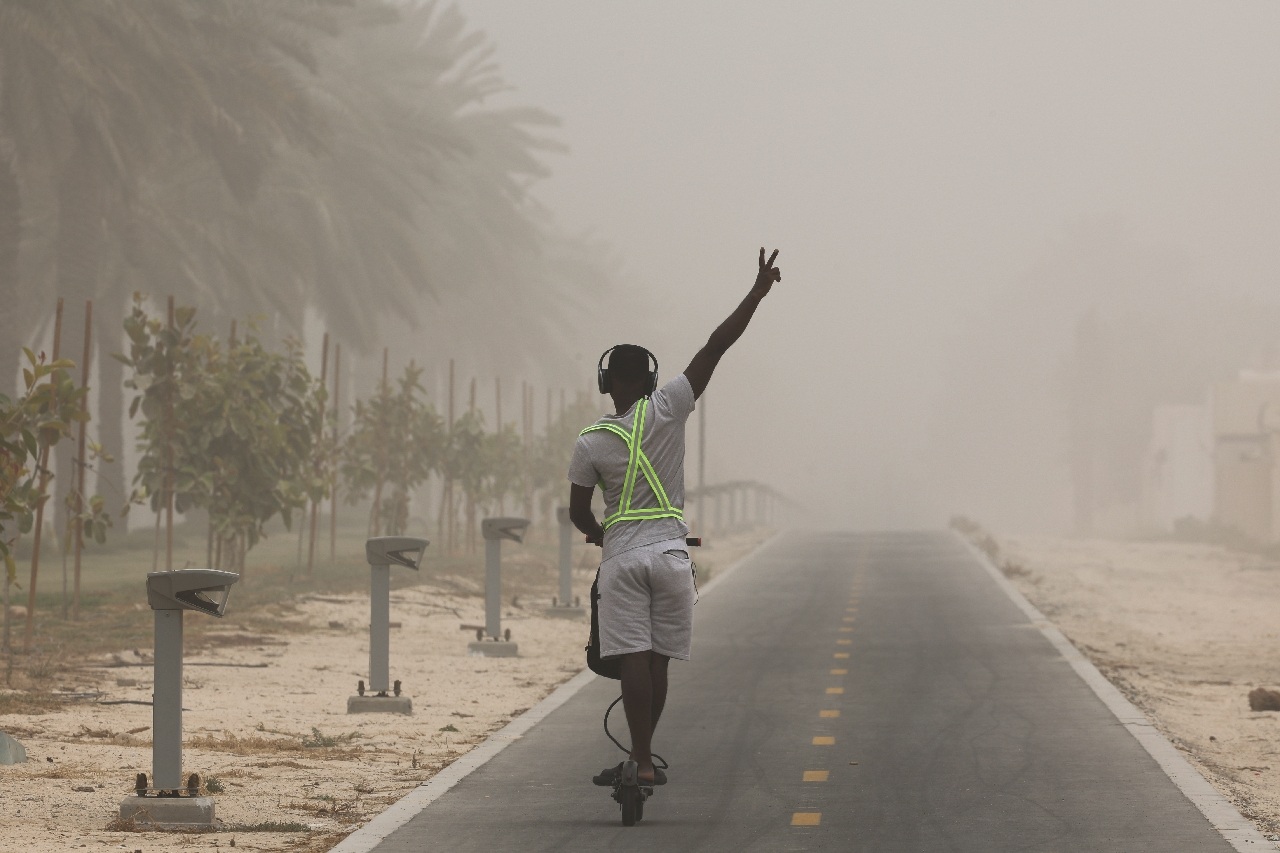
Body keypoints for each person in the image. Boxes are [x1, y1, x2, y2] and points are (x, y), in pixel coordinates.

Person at [568, 247, 783, 788]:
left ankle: (638, 759)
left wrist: (598, 532)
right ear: (649, 380)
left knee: (631, 657)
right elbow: (716, 346)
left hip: (622, 560)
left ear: (606, 384)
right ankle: (643, 758)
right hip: (670, 556)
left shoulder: (591, 441)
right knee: (658, 660)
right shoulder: (670, 406)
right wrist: (755, 294)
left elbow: (578, 511)